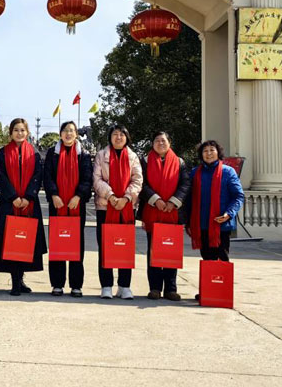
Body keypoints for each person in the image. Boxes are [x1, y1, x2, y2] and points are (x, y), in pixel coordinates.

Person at [0, 118, 47, 296]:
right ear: (11, 133)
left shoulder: (34, 153)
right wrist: (14, 197)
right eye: (16, 130)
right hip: (9, 203)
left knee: (25, 241)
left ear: (27, 133)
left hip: (29, 203)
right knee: (11, 240)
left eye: (22, 130)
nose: (19, 133)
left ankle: (21, 279)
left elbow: (38, 176)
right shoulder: (3, 153)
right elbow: (1, 176)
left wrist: (28, 196)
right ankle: (15, 281)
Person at [186, 140, 244, 300]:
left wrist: (229, 214)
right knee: (207, 258)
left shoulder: (228, 172)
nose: (209, 153)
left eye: (212, 150)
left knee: (221, 258)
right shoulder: (195, 173)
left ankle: (221, 293)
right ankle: (207, 291)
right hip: (201, 224)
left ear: (218, 153)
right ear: (201, 155)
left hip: (221, 225)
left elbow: (238, 196)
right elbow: (189, 198)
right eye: (205, 151)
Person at [139, 131, 191, 301]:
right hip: (153, 210)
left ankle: (170, 289)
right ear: (152, 144)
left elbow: (185, 183)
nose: (160, 143)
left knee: (170, 251)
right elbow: (142, 183)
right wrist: (156, 200)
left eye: (163, 140)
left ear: (169, 143)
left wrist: (173, 202)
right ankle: (154, 288)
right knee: (153, 251)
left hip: (172, 212)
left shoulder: (180, 162)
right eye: (157, 140)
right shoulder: (145, 161)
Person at [92, 124, 142, 300]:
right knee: (105, 246)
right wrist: (111, 196)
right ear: (110, 137)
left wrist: (126, 198)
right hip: (105, 207)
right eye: (115, 134)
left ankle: (124, 286)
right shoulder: (101, 155)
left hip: (127, 208)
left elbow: (137, 180)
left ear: (127, 137)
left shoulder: (133, 157)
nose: (118, 137)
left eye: (122, 134)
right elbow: (96, 179)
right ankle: (106, 285)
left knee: (124, 247)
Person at [43, 121, 92, 297]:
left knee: (76, 245)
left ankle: (76, 285)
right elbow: (47, 176)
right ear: (60, 134)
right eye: (65, 130)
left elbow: (87, 178)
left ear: (76, 134)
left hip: (76, 206)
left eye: (71, 131)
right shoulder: (52, 153)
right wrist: (54, 195)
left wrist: (78, 196)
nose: (68, 133)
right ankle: (57, 284)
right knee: (57, 243)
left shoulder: (83, 154)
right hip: (57, 205)